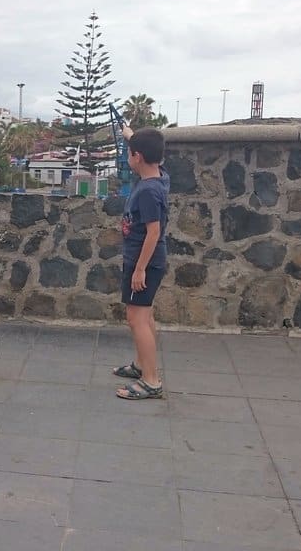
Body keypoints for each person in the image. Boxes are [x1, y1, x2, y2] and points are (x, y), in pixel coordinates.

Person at [113, 125, 170, 400]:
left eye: (129, 152)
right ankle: (141, 366)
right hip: (150, 261)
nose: (127, 156)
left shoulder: (148, 191)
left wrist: (139, 269)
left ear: (137, 157)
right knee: (144, 316)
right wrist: (131, 136)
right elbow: (150, 155)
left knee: (136, 319)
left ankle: (151, 381)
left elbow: (154, 231)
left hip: (144, 262)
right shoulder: (159, 177)